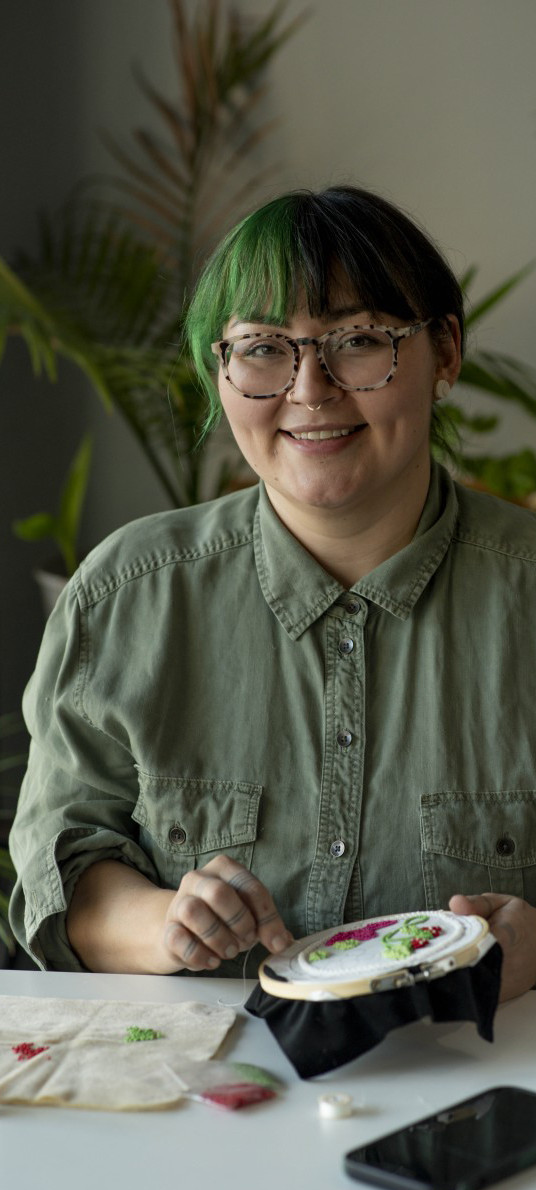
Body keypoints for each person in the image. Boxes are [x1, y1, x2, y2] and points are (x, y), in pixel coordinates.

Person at [9, 186, 536, 1002]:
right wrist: (161, 923)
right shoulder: (127, 597)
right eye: (261, 348)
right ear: (218, 372)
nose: (310, 389)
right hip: (206, 1101)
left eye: (359, 340)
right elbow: (64, 867)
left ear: (446, 354)